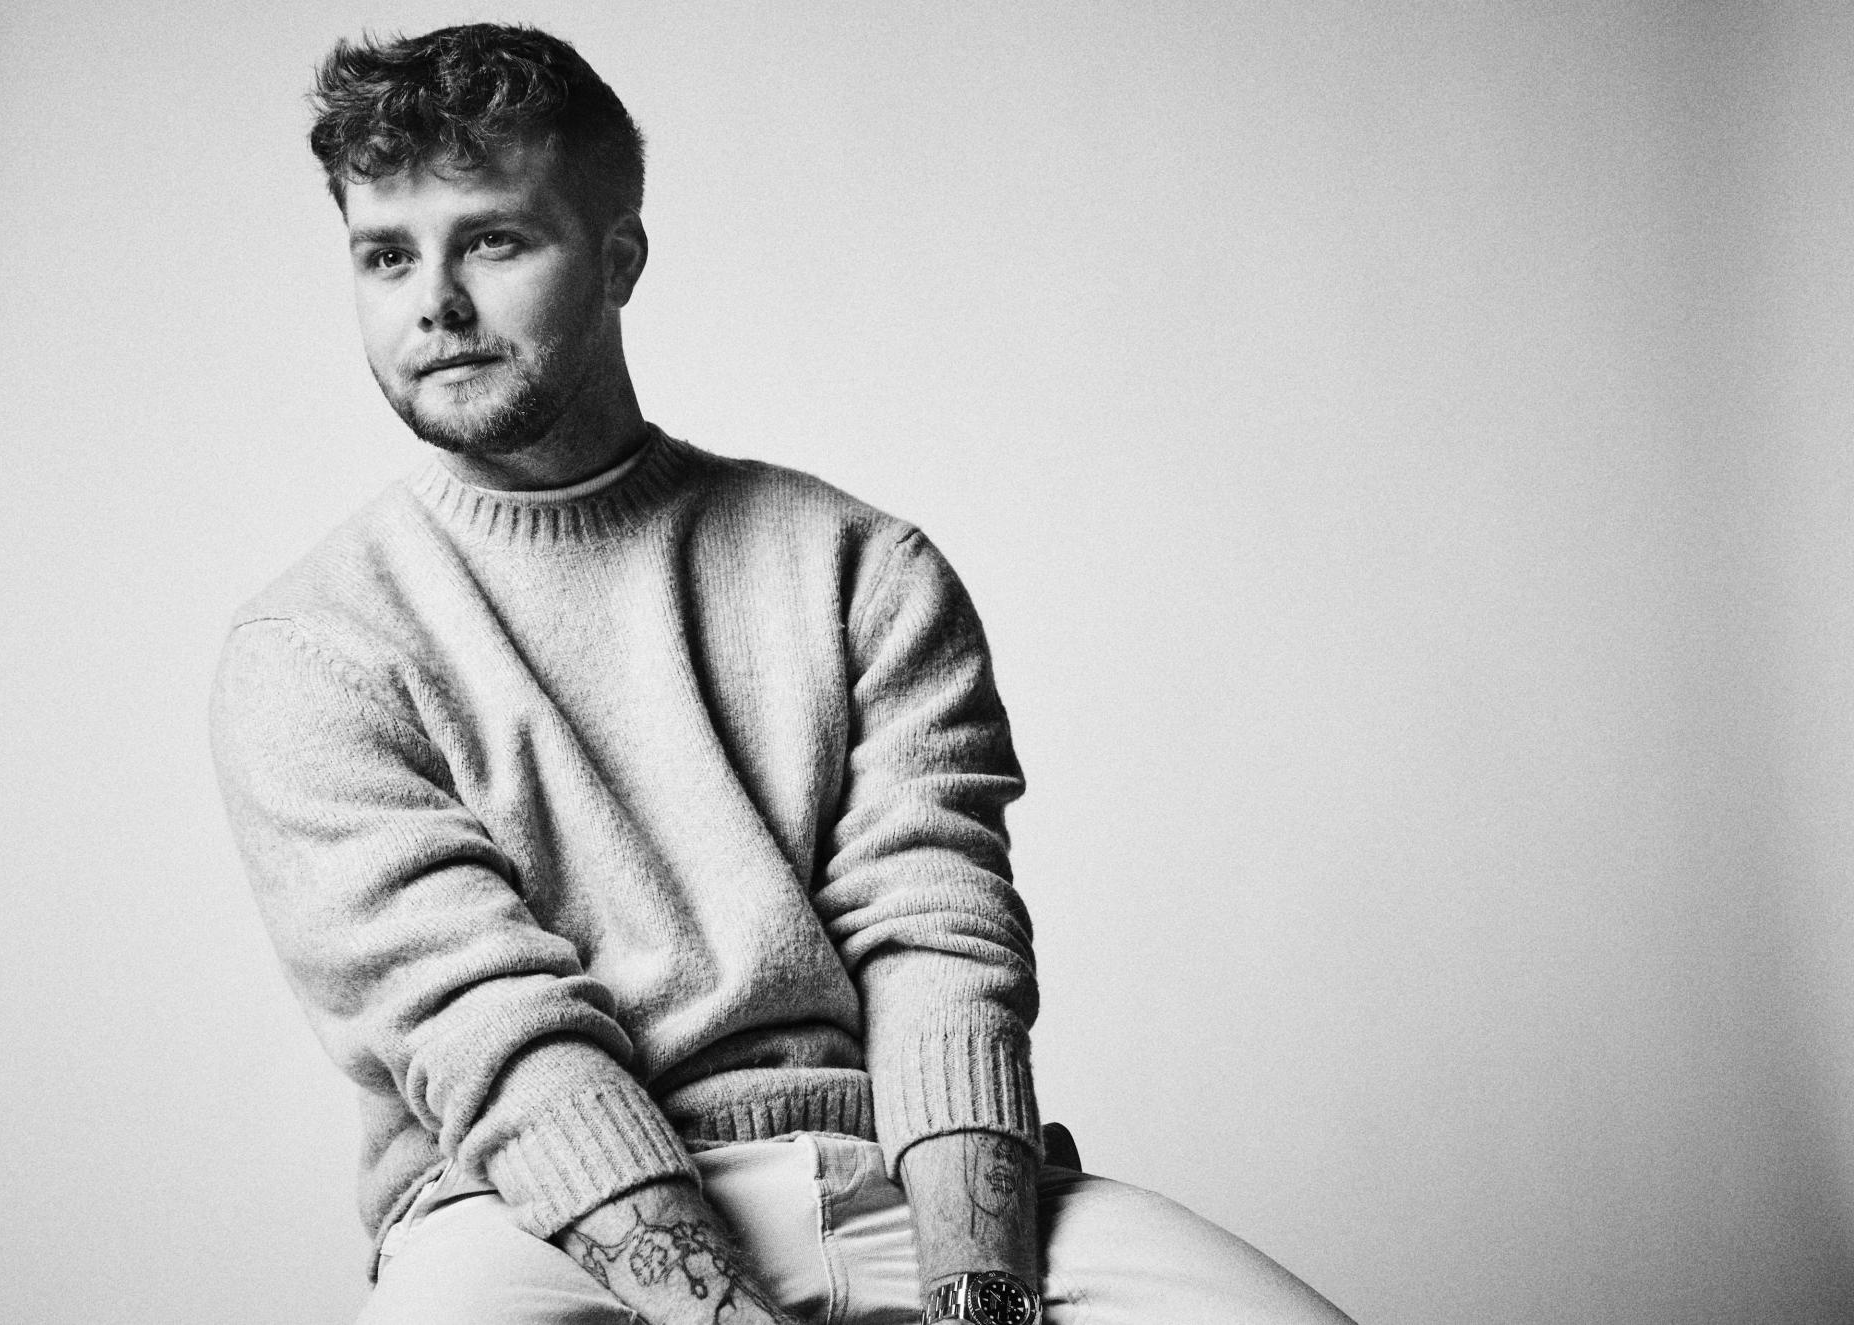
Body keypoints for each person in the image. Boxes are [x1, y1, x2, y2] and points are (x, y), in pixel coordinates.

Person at [211, 23, 1356, 1325]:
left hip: (898, 1168)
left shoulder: (861, 567)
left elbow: (937, 936)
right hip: (525, 1220)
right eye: (387, 256)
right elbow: (492, 1039)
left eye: (495, 241)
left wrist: (980, 1299)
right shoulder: (314, 648)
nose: (436, 302)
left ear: (619, 259)